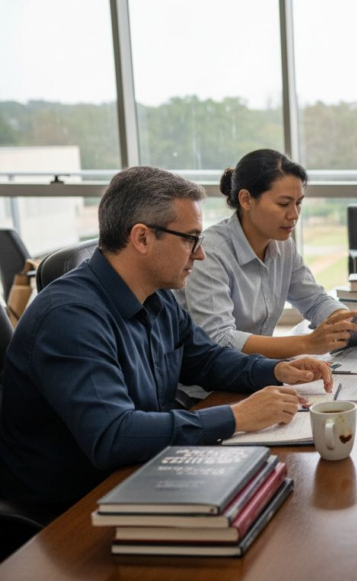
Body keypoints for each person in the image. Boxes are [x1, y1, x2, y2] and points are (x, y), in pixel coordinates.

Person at [0, 166, 332, 512]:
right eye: (191, 239)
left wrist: (279, 370)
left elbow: (205, 359)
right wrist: (238, 417)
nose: (200, 254)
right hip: (73, 508)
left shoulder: (154, 295)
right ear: (142, 238)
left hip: (140, 469)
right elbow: (112, 435)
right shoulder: (68, 318)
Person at [176, 149, 357, 362]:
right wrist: (308, 343)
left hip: (255, 374)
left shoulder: (282, 245)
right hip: (209, 389)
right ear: (246, 200)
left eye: (299, 203)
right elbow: (220, 339)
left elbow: (314, 300)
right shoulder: (211, 253)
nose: (294, 215)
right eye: (284, 204)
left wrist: (351, 325)